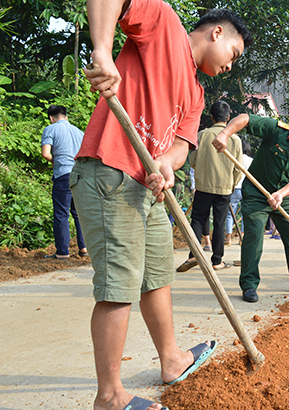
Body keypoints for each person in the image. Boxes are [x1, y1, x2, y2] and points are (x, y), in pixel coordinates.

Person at [70, 1, 252, 409]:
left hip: (147, 186)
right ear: (216, 33)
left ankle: (171, 359)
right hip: (109, 170)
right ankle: (110, 396)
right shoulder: (165, 25)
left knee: (157, 275)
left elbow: (180, 148)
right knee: (119, 285)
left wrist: (167, 167)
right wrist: (101, 51)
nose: (230, 66)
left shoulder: (197, 92)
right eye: (234, 55)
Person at [211, 110, 289, 303]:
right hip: (256, 193)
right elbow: (245, 119)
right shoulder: (277, 131)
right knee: (254, 236)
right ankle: (249, 284)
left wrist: (281, 194)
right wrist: (225, 134)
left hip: (283, 196)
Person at [176, 100, 242, 272]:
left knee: (197, 220)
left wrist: (203, 172)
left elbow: (193, 161)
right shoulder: (234, 139)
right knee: (219, 223)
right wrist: (232, 184)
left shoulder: (201, 135)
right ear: (228, 118)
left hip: (204, 185)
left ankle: (193, 256)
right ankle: (217, 261)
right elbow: (238, 168)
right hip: (224, 187)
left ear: (211, 117)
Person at [40, 105, 87, 259]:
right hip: (80, 176)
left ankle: (62, 252)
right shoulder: (79, 132)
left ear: (51, 118)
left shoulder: (50, 129)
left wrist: (56, 161)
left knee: (61, 214)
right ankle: (84, 248)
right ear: (66, 117)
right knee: (79, 213)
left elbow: (46, 154)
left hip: (63, 175)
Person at [225, 138, 253, 245]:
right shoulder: (251, 161)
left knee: (229, 214)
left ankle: (229, 238)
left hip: (235, 188)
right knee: (244, 213)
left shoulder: (234, 159)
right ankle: (242, 237)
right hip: (246, 189)